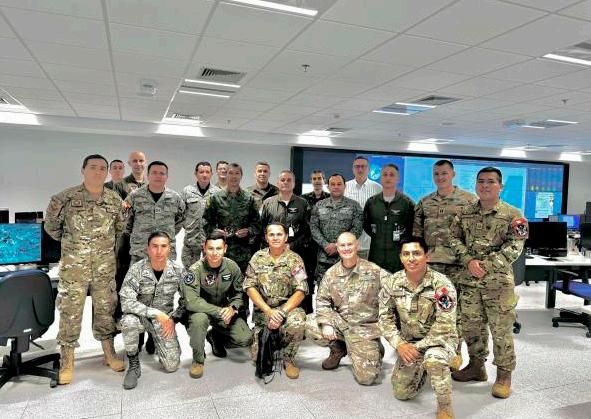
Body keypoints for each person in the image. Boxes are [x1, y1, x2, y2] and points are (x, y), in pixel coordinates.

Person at [44, 154, 125, 385]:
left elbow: (119, 229)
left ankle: (109, 352)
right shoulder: (64, 198)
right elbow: (52, 228)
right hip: (74, 267)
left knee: (106, 309)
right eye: (93, 167)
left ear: (107, 172)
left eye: (102, 168)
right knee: (70, 311)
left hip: (104, 266)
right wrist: (75, 246)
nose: (98, 172)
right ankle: (67, 360)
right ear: (83, 170)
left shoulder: (114, 200)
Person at [449, 167, 528, 399]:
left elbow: (515, 247)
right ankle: (477, 367)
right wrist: (468, 260)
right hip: (470, 282)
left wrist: (486, 265)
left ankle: (504, 375)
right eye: (481, 181)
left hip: (498, 284)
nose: (485, 185)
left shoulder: (514, 215)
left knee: (501, 330)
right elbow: (453, 238)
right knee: (472, 327)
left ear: (500, 186)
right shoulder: (465, 212)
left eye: (491, 182)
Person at [379, 237, 458, 419]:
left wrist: (417, 347)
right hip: (409, 342)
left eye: (416, 253)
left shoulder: (442, 284)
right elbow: (384, 318)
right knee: (402, 392)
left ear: (426, 256)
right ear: (401, 257)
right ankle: (424, 368)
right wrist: (400, 344)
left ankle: (445, 407)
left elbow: (445, 325)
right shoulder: (392, 282)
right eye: (406, 254)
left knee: (434, 360)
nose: (411, 258)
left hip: (439, 341)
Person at [413, 159, 477, 370]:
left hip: (457, 265)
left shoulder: (468, 200)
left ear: (453, 174)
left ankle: (454, 352)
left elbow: (473, 235)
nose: (440, 177)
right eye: (436, 174)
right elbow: (417, 235)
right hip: (432, 265)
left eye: (444, 173)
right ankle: (432, 349)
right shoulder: (425, 202)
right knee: (430, 309)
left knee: (455, 310)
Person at [305, 232, 387, 385]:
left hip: (364, 329)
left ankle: (375, 347)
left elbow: (393, 290)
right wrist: (326, 324)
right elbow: (322, 300)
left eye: (350, 244)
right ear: (337, 248)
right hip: (341, 323)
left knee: (367, 379)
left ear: (357, 245)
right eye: (342, 245)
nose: (346, 248)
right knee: (309, 323)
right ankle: (339, 348)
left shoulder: (374, 270)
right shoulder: (331, 274)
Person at [119, 231, 186, 390]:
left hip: (164, 320)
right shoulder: (137, 269)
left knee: (172, 365)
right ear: (148, 249)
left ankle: (153, 338)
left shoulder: (178, 271)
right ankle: (134, 365)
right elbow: (126, 301)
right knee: (128, 322)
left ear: (170, 249)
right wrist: (154, 313)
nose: (159, 251)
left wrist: (174, 318)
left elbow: (188, 300)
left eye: (163, 246)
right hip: (140, 317)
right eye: (154, 246)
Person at [184, 230, 252, 379]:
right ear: (204, 248)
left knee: (245, 338)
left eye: (219, 248)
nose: (215, 253)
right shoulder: (195, 270)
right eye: (211, 248)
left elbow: (239, 294)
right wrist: (220, 311)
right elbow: (192, 302)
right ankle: (198, 360)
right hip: (201, 311)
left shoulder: (232, 267)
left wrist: (232, 308)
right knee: (198, 321)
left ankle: (215, 336)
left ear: (225, 248)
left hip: (223, 309)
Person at [243, 223, 308, 379]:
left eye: (279, 234)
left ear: (286, 237)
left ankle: (288, 358)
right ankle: (273, 341)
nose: (275, 237)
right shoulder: (257, 258)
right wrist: (269, 311)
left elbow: (301, 290)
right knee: (256, 357)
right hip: (264, 312)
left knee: (298, 322)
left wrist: (281, 313)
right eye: (271, 234)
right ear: (266, 238)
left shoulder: (295, 259)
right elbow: (249, 287)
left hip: (288, 310)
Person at [260, 170, 311, 311]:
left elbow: (308, 232)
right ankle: (270, 313)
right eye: (283, 180)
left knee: (299, 285)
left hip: (297, 255)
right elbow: (261, 229)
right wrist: (274, 246)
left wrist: (291, 245)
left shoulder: (302, 204)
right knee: (272, 286)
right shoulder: (268, 203)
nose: (286, 182)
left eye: (289, 180)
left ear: (294, 183)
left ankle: (300, 313)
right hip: (273, 255)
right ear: (277, 183)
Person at [203, 162, 260, 273]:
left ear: (241, 176)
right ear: (226, 175)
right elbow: (206, 222)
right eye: (230, 173)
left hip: (243, 253)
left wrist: (248, 231)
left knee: (242, 282)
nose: (234, 176)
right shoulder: (216, 198)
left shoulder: (249, 198)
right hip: (221, 251)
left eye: (237, 173)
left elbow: (257, 224)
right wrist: (215, 231)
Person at [125, 160, 186, 264]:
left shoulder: (175, 198)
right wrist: (139, 236)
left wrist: (167, 233)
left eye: (162, 173)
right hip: (140, 252)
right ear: (148, 175)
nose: (158, 176)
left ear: (167, 177)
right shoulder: (134, 196)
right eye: (154, 173)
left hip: (166, 253)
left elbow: (181, 220)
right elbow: (126, 221)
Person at [310, 173, 363, 284]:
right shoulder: (319, 205)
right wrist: (325, 245)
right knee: (323, 291)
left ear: (344, 186)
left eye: (339, 184)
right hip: (324, 259)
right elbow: (314, 228)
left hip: (346, 258)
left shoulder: (354, 206)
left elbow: (357, 229)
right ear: (328, 187)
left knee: (347, 291)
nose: (336, 187)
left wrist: (338, 246)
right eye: (333, 184)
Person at [363, 164, 414, 273]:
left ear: (398, 178)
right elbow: (366, 225)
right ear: (380, 178)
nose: (388, 178)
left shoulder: (407, 203)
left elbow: (413, 227)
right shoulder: (372, 203)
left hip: (398, 258)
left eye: (392, 175)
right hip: (376, 255)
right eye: (385, 175)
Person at [180, 161, 221, 268]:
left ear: (211, 174)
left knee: (211, 270)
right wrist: (188, 225)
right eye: (201, 172)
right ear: (196, 174)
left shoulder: (217, 193)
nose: (204, 175)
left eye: (207, 172)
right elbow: (180, 213)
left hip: (210, 240)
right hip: (191, 240)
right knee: (190, 271)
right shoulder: (187, 191)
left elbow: (221, 216)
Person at [301, 170, 329, 311]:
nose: (317, 181)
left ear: (324, 180)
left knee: (324, 280)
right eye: (314, 178)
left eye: (319, 178)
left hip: (325, 245)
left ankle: (323, 311)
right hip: (308, 245)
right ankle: (308, 311)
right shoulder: (303, 199)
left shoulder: (330, 198)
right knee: (307, 278)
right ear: (311, 181)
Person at [345, 156, 382, 259]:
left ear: (369, 169)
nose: (360, 169)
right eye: (357, 166)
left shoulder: (378, 188)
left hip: (370, 243)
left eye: (363, 166)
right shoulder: (345, 187)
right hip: (348, 242)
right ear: (353, 169)